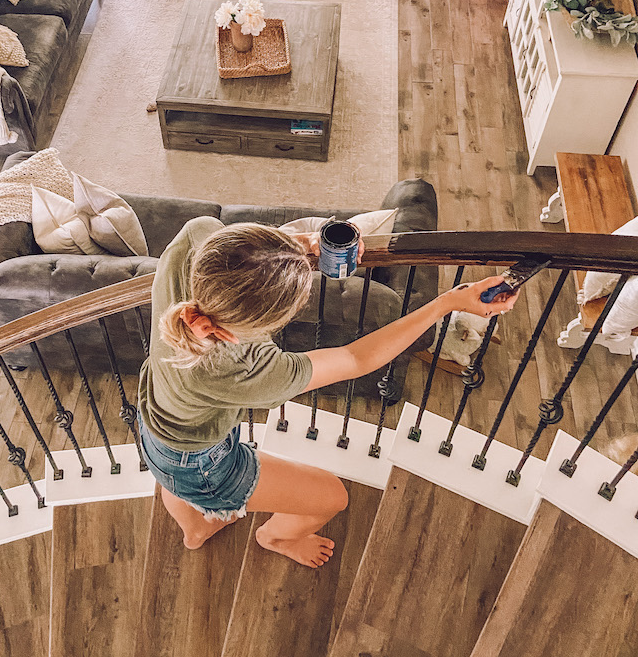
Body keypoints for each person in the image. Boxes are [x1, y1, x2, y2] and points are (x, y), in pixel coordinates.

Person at [137, 217, 517, 568]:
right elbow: (354, 358)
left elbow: (211, 233)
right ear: (260, 327)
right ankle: (276, 539)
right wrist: (445, 303)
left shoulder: (192, 248)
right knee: (333, 497)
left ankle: (196, 530)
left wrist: (294, 247)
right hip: (204, 464)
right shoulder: (250, 370)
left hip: (157, 421)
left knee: (171, 475)